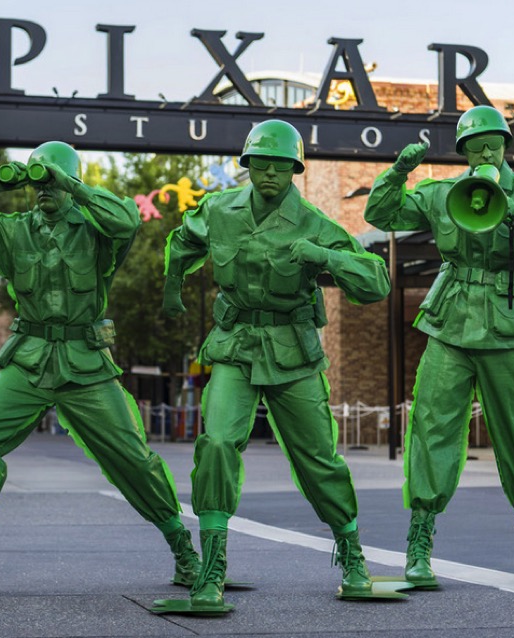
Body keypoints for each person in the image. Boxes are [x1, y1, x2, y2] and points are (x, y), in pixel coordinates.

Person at [0, 141, 200, 595]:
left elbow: (128, 220)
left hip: (85, 363)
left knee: (132, 459)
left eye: (52, 179)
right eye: (38, 179)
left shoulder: (96, 230)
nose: (44, 188)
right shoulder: (13, 232)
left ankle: (183, 551)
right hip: (29, 358)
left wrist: (71, 184)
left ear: (72, 181)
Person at [162, 119, 391, 609]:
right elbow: (182, 240)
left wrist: (319, 254)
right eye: (259, 164)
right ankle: (212, 566)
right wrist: (171, 289)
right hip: (234, 345)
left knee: (317, 459)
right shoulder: (219, 210)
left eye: (280, 165)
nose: (268, 173)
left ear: (294, 170)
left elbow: (376, 282)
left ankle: (352, 552)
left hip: (292, 349)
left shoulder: (313, 222)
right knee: (218, 442)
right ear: (246, 166)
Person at [364, 105, 514, 587]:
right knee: (432, 428)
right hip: (450, 325)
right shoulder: (441, 194)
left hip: (506, 328)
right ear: (462, 153)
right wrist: (399, 170)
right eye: (474, 145)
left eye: (492, 142)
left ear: (505, 145)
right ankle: (419, 543)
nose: (484, 150)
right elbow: (379, 212)